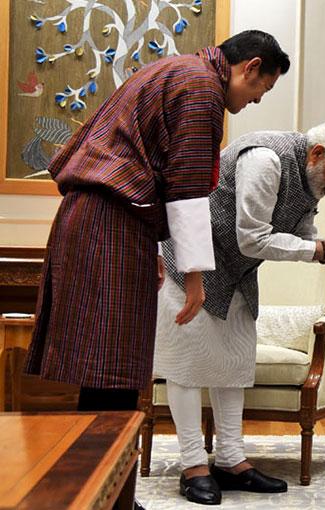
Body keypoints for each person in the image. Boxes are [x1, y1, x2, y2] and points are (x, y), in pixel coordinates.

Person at [25, 31, 289, 411]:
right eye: (261, 90)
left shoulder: (174, 70)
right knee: (111, 362)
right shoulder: (201, 87)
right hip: (110, 219)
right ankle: (103, 465)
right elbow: (188, 189)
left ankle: (105, 466)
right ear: (250, 68)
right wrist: (196, 278)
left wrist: (152, 247)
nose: (257, 100)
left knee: (107, 361)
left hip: (104, 215)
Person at [154, 122, 325, 505]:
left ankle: (231, 461)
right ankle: (193, 465)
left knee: (233, 363)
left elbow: (304, 233)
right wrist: (323, 250)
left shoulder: (312, 179)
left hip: (236, 274)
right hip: (189, 265)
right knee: (187, 366)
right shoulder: (265, 159)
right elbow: (253, 237)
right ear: (317, 153)